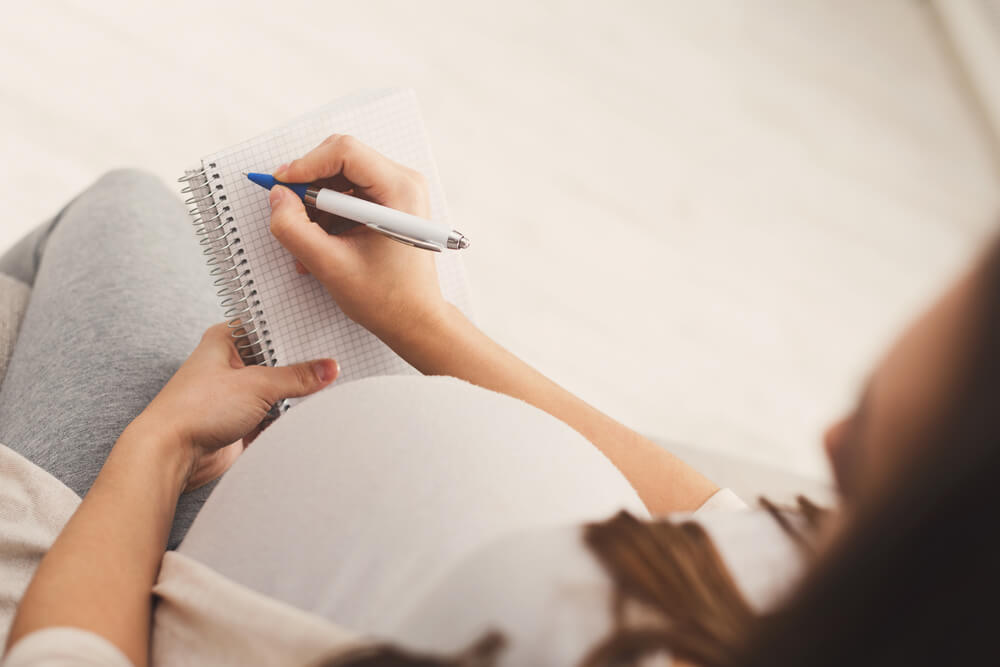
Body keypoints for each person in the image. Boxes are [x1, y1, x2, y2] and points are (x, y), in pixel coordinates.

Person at [0, 134, 994, 665]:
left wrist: (159, 446)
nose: (819, 445)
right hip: (300, 524)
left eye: (854, 461)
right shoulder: (881, 595)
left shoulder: (541, 628)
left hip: (148, 592)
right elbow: (715, 515)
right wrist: (420, 324)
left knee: (120, 211)